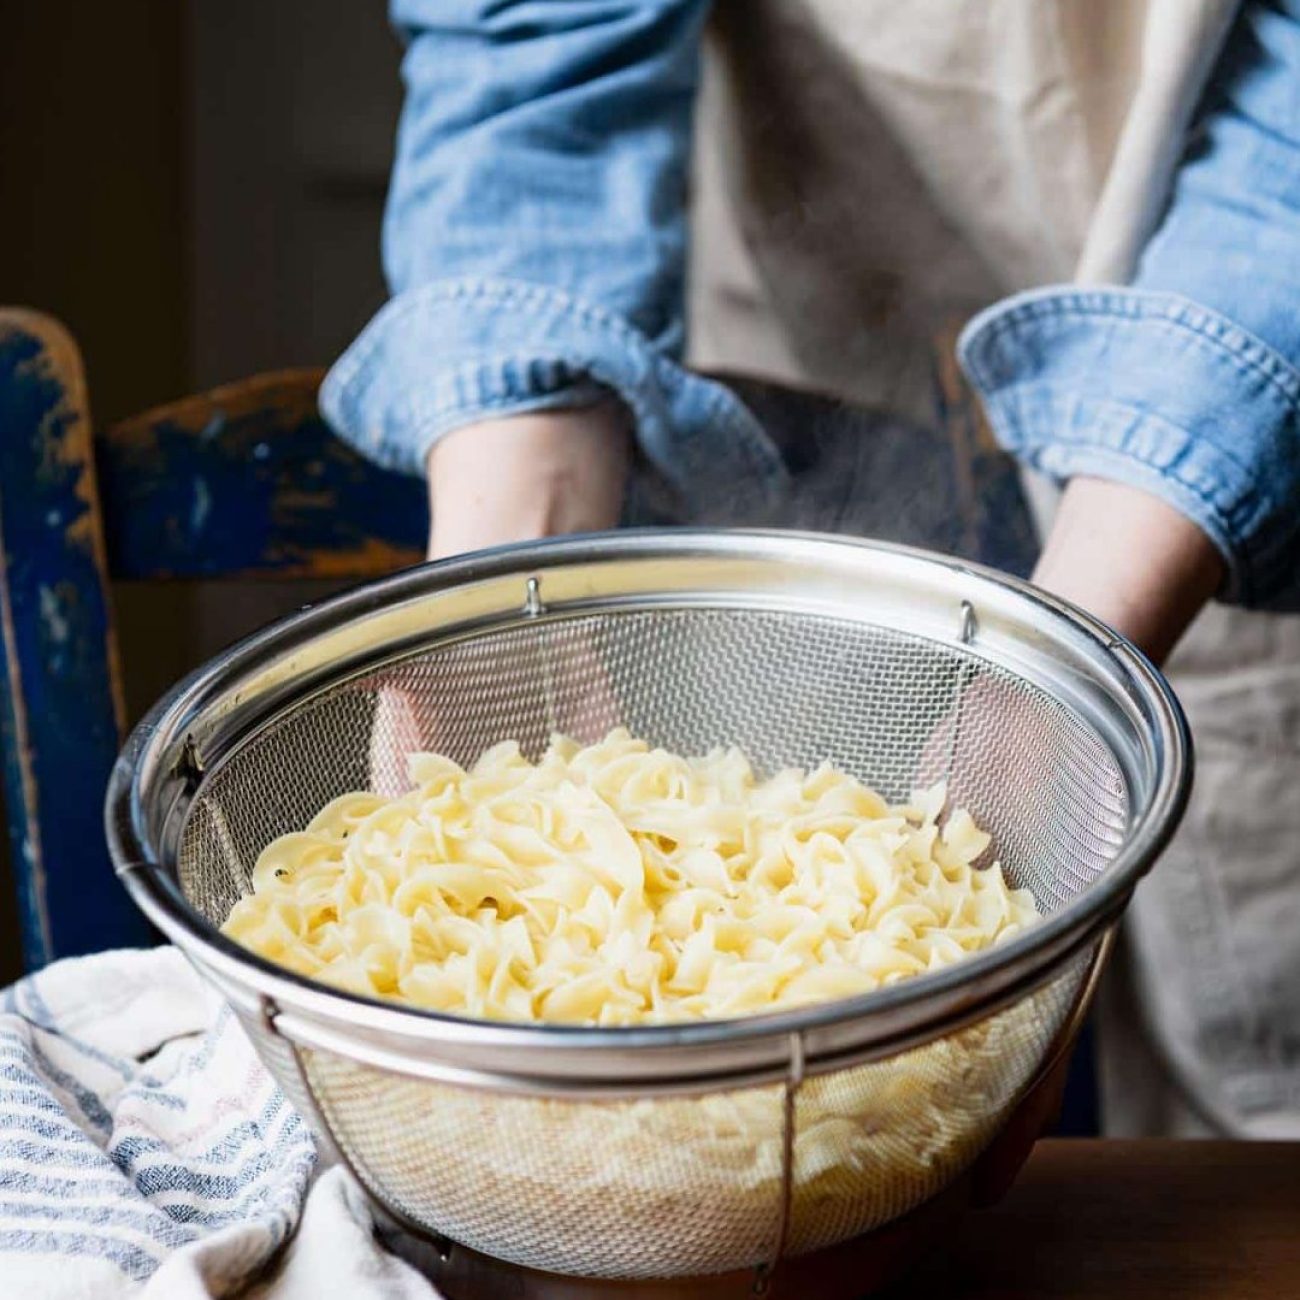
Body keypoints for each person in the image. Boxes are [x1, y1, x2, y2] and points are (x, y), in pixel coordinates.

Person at [322, 0, 1300, 1137]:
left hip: (1244, 403)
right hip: (826, 335)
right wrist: (509, 587)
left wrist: (1053, 685)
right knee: (804, 1127)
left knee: (1249, 1114)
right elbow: (536, 39)